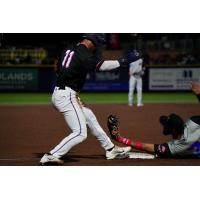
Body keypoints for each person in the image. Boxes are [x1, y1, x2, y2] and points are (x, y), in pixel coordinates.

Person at [40, 34, 134, 165]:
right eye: (97, 45)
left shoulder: (69, 49)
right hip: (66, 95)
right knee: (80, 132)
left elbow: (57, 66)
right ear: (92, 42)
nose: (97, 48)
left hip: (63, 92)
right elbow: (101, 66)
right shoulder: (83, 53)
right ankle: (51, 155)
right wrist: (123, 61)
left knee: (89, 117)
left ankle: (110, 149)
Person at [107, 114, 200, 158]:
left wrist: (119, 138)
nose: (164, 126)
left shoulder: (178, 146)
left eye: (166, 126)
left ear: (173, 130)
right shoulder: (193, 122)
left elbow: (148, 147)